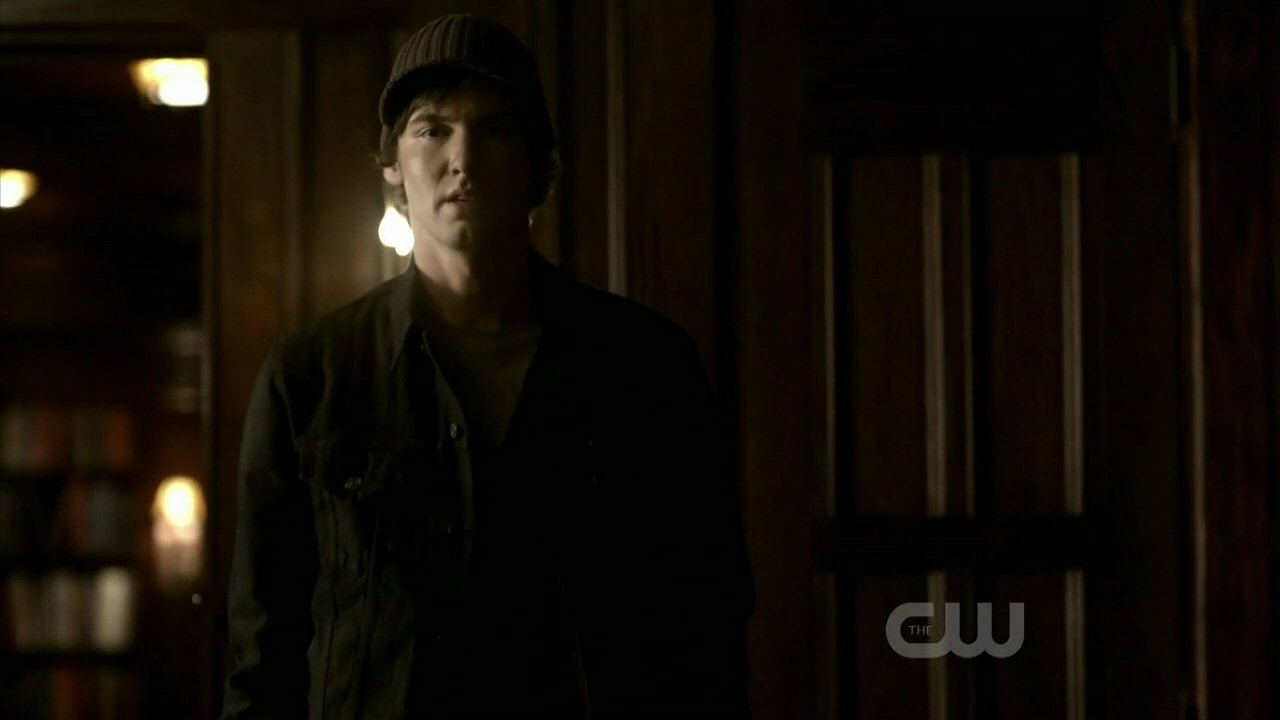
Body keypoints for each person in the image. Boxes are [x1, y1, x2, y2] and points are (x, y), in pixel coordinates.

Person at [221, 13, 754, 719]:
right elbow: (265, 647)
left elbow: (707, 620)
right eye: (432, 129)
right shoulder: (313, 375)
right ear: (392, 165)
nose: (462, 158)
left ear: (541, 166)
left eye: (495, 129)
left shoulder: (643, 367)